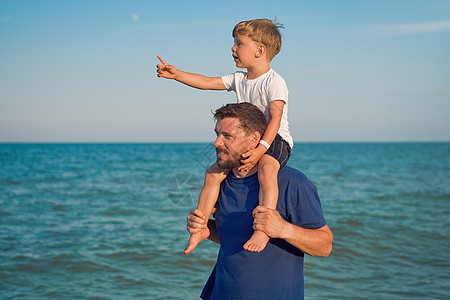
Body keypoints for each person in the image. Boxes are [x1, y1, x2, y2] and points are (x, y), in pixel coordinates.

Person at [157, 19, 293, 253]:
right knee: (213, 173)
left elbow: (276, 117)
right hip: (245, 140)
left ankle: (262, 229)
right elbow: (207, 82)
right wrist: (177, 74)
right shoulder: (239, 79)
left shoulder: (274, 81)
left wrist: (261, 148)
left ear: (260, 50)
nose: (233, 48)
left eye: (239, 44)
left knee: (267, 170)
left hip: (274, 138)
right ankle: (201, 227)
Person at [186, 102, 332, 300]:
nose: (217, 143)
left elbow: (325, 246)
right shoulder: (220, 180)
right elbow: (235, 238)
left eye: (227, 136)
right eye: (217, 134)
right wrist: (206, 229)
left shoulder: (292, 182)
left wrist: (282, 229)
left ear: (254, 139)